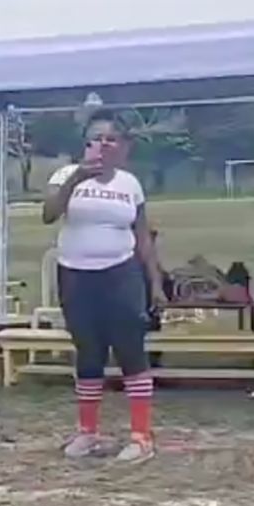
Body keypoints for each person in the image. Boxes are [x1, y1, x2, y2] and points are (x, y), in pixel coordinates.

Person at [42, 110, 166, 463]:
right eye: (96, 138)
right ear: (86, 143)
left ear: (123, 147)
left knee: (130, 350)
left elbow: (142, 237)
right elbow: (49, 213)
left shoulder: (129, 184)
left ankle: (141, 436)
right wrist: (77, 177)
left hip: (121, 274)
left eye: (111, 139)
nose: (103, 144)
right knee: (88, 351)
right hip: (76, 274)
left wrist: (155, 281)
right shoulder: (66, 175)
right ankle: (88, 432)